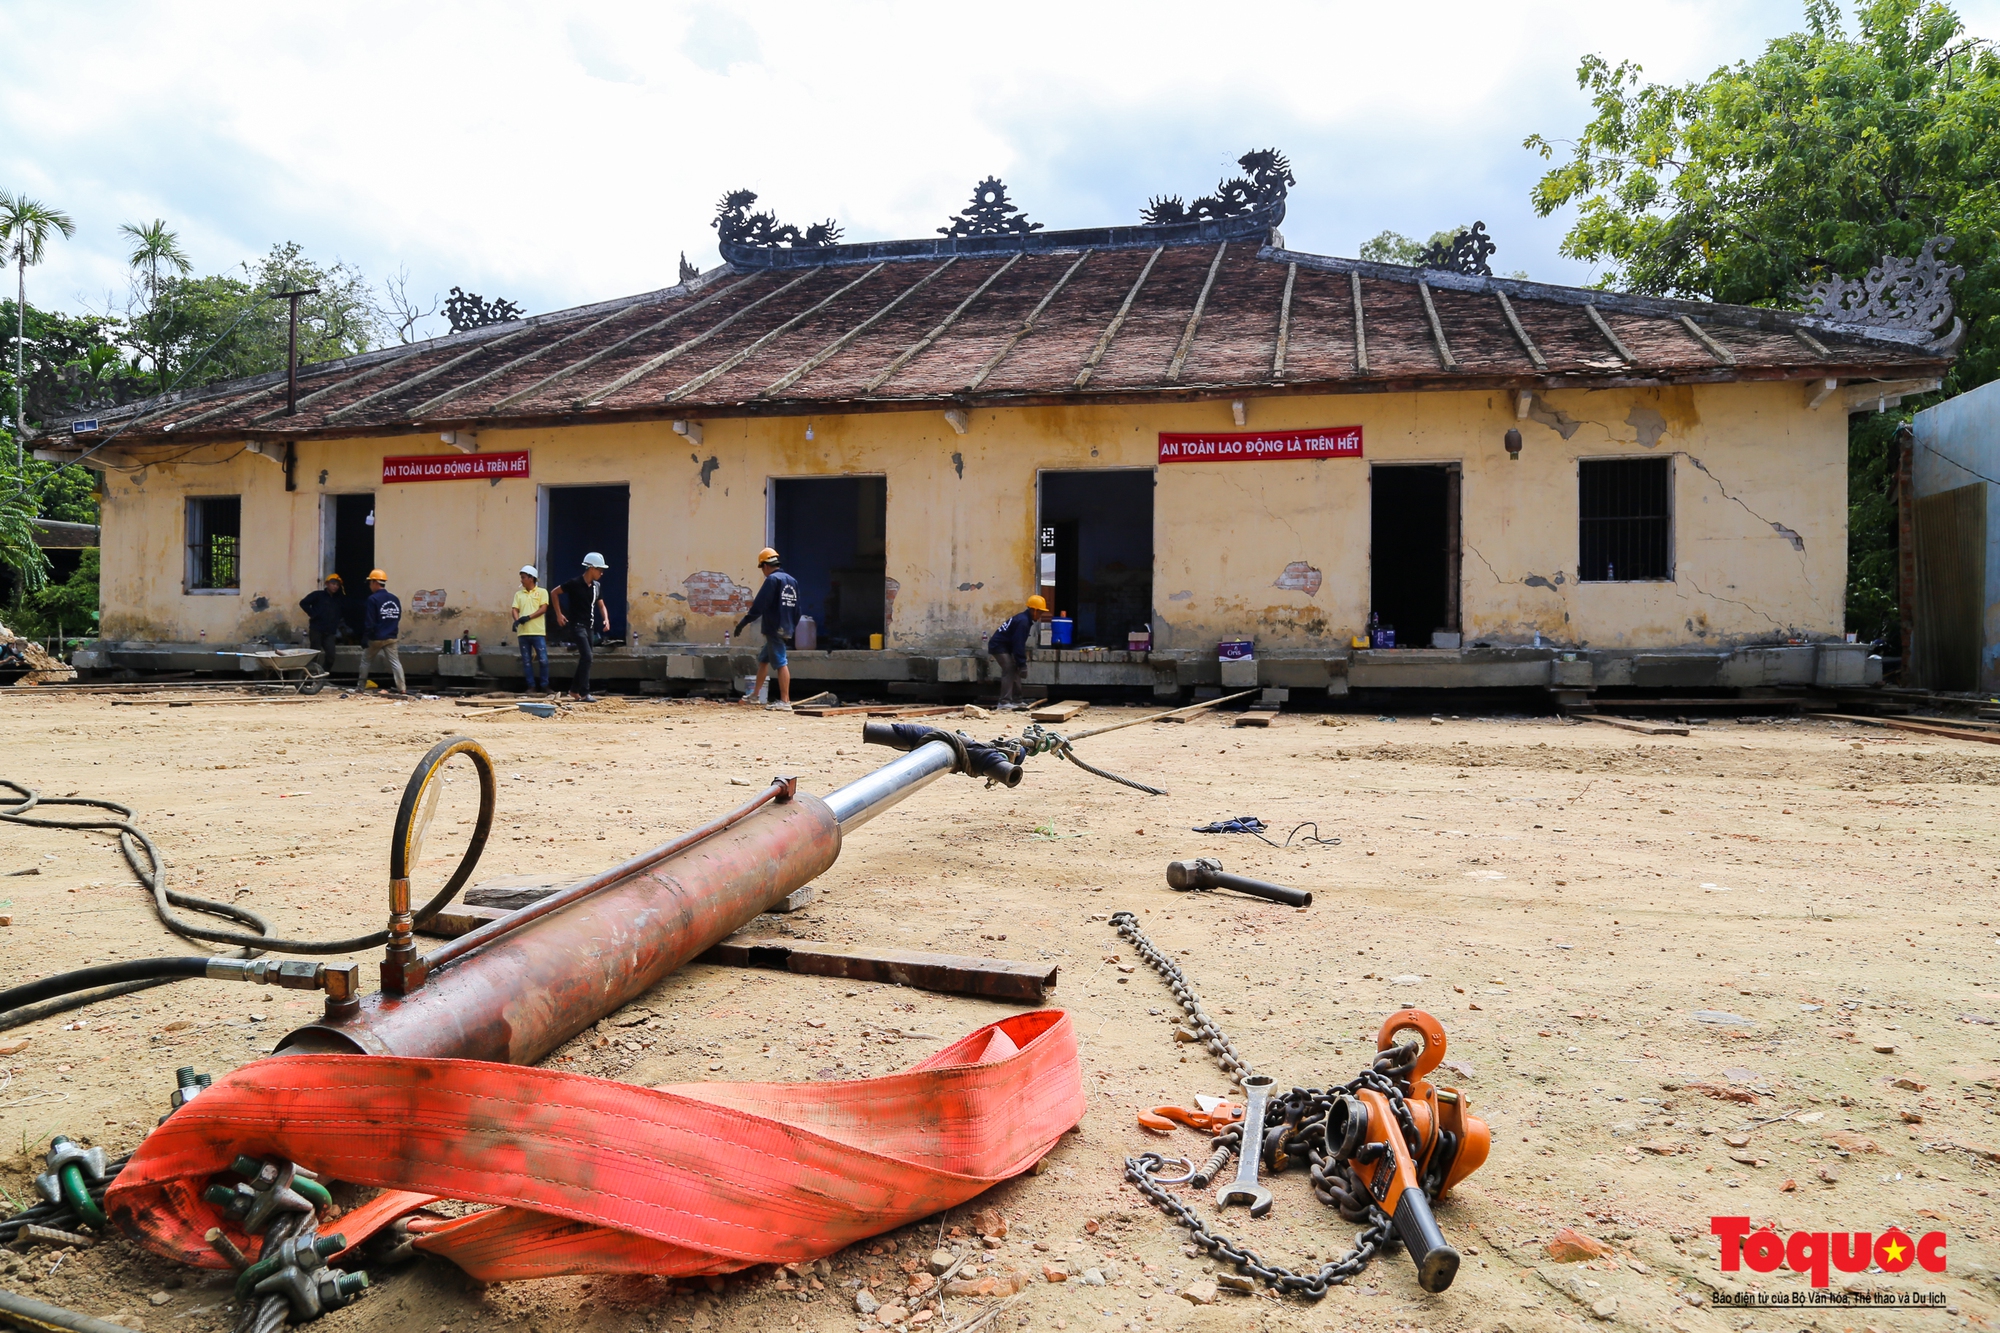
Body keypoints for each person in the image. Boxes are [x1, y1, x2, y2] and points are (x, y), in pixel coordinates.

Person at [733, 546, 799, 710]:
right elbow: (798, 610)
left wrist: (744, 622)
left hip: (774, 627)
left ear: (765, 565)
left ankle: (785, 701)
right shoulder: (792, 581)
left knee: (781, 662)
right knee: (764, 660)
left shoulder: (772, 580)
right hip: (786, 627)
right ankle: (755, 695)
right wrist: (791, 627)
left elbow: (760, 605)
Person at [552, 552, 612, 702]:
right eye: (599, 569)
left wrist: (606, 619)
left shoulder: (597, 587)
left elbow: (601, 605)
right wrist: (559, 614)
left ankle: (573, 690)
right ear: (591, 568)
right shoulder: (574, 583)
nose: (601, 573)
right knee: (587, 656)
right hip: (576, 626)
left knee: (587, 659)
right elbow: (554, 593)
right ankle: (584, 693)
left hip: (589, 626)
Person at [987, 594, 1050, 709]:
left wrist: (1020, 664)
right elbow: (1018, 644)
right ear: (1034, 610)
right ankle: (1004, 702)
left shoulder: (1024, 619)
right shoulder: (1023, 622)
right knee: (1009, 669)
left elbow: (1016, 644)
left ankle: (1017, 700)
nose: (1041, 615)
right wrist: (1022, 664)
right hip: (999, 646)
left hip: (1005, 646)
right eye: (1040, 612)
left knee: (1014, 669)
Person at [356, 568, 405, 694]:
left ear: (375, 582)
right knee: (395, 663)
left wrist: (365, 638)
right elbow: (397, 617)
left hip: (376, 637)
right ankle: (402, 689)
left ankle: (360, 688)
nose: (369, 586)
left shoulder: (373, 599)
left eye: (370, 583)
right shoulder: (394, 599)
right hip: (391, 637)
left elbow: (370, 621)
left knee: (366, 661)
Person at [511, 564, 550, 695]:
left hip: (537, 631)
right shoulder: (519, 594)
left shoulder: (542, 592)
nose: (521, 580)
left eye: (523, 577)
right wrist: (517, 620)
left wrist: (527, 617)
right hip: (523, 633)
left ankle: (544, 685)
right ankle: (531, 686)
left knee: (543, 660)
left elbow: (543, 608)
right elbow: (514, 609)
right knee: (526, 661)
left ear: (531, 578)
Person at [298, 573, 345, 672]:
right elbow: (303, 603)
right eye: (333, 583)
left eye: (337, 584)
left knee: (331, 656)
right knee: (314, 654)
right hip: (317, 630)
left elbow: (340, 612)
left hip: (329, 632)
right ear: (327, 584)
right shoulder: (318, 595)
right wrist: (313, 614)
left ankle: (322, 677)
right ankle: (310, 677)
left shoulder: (337, 599)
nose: (335, 586)